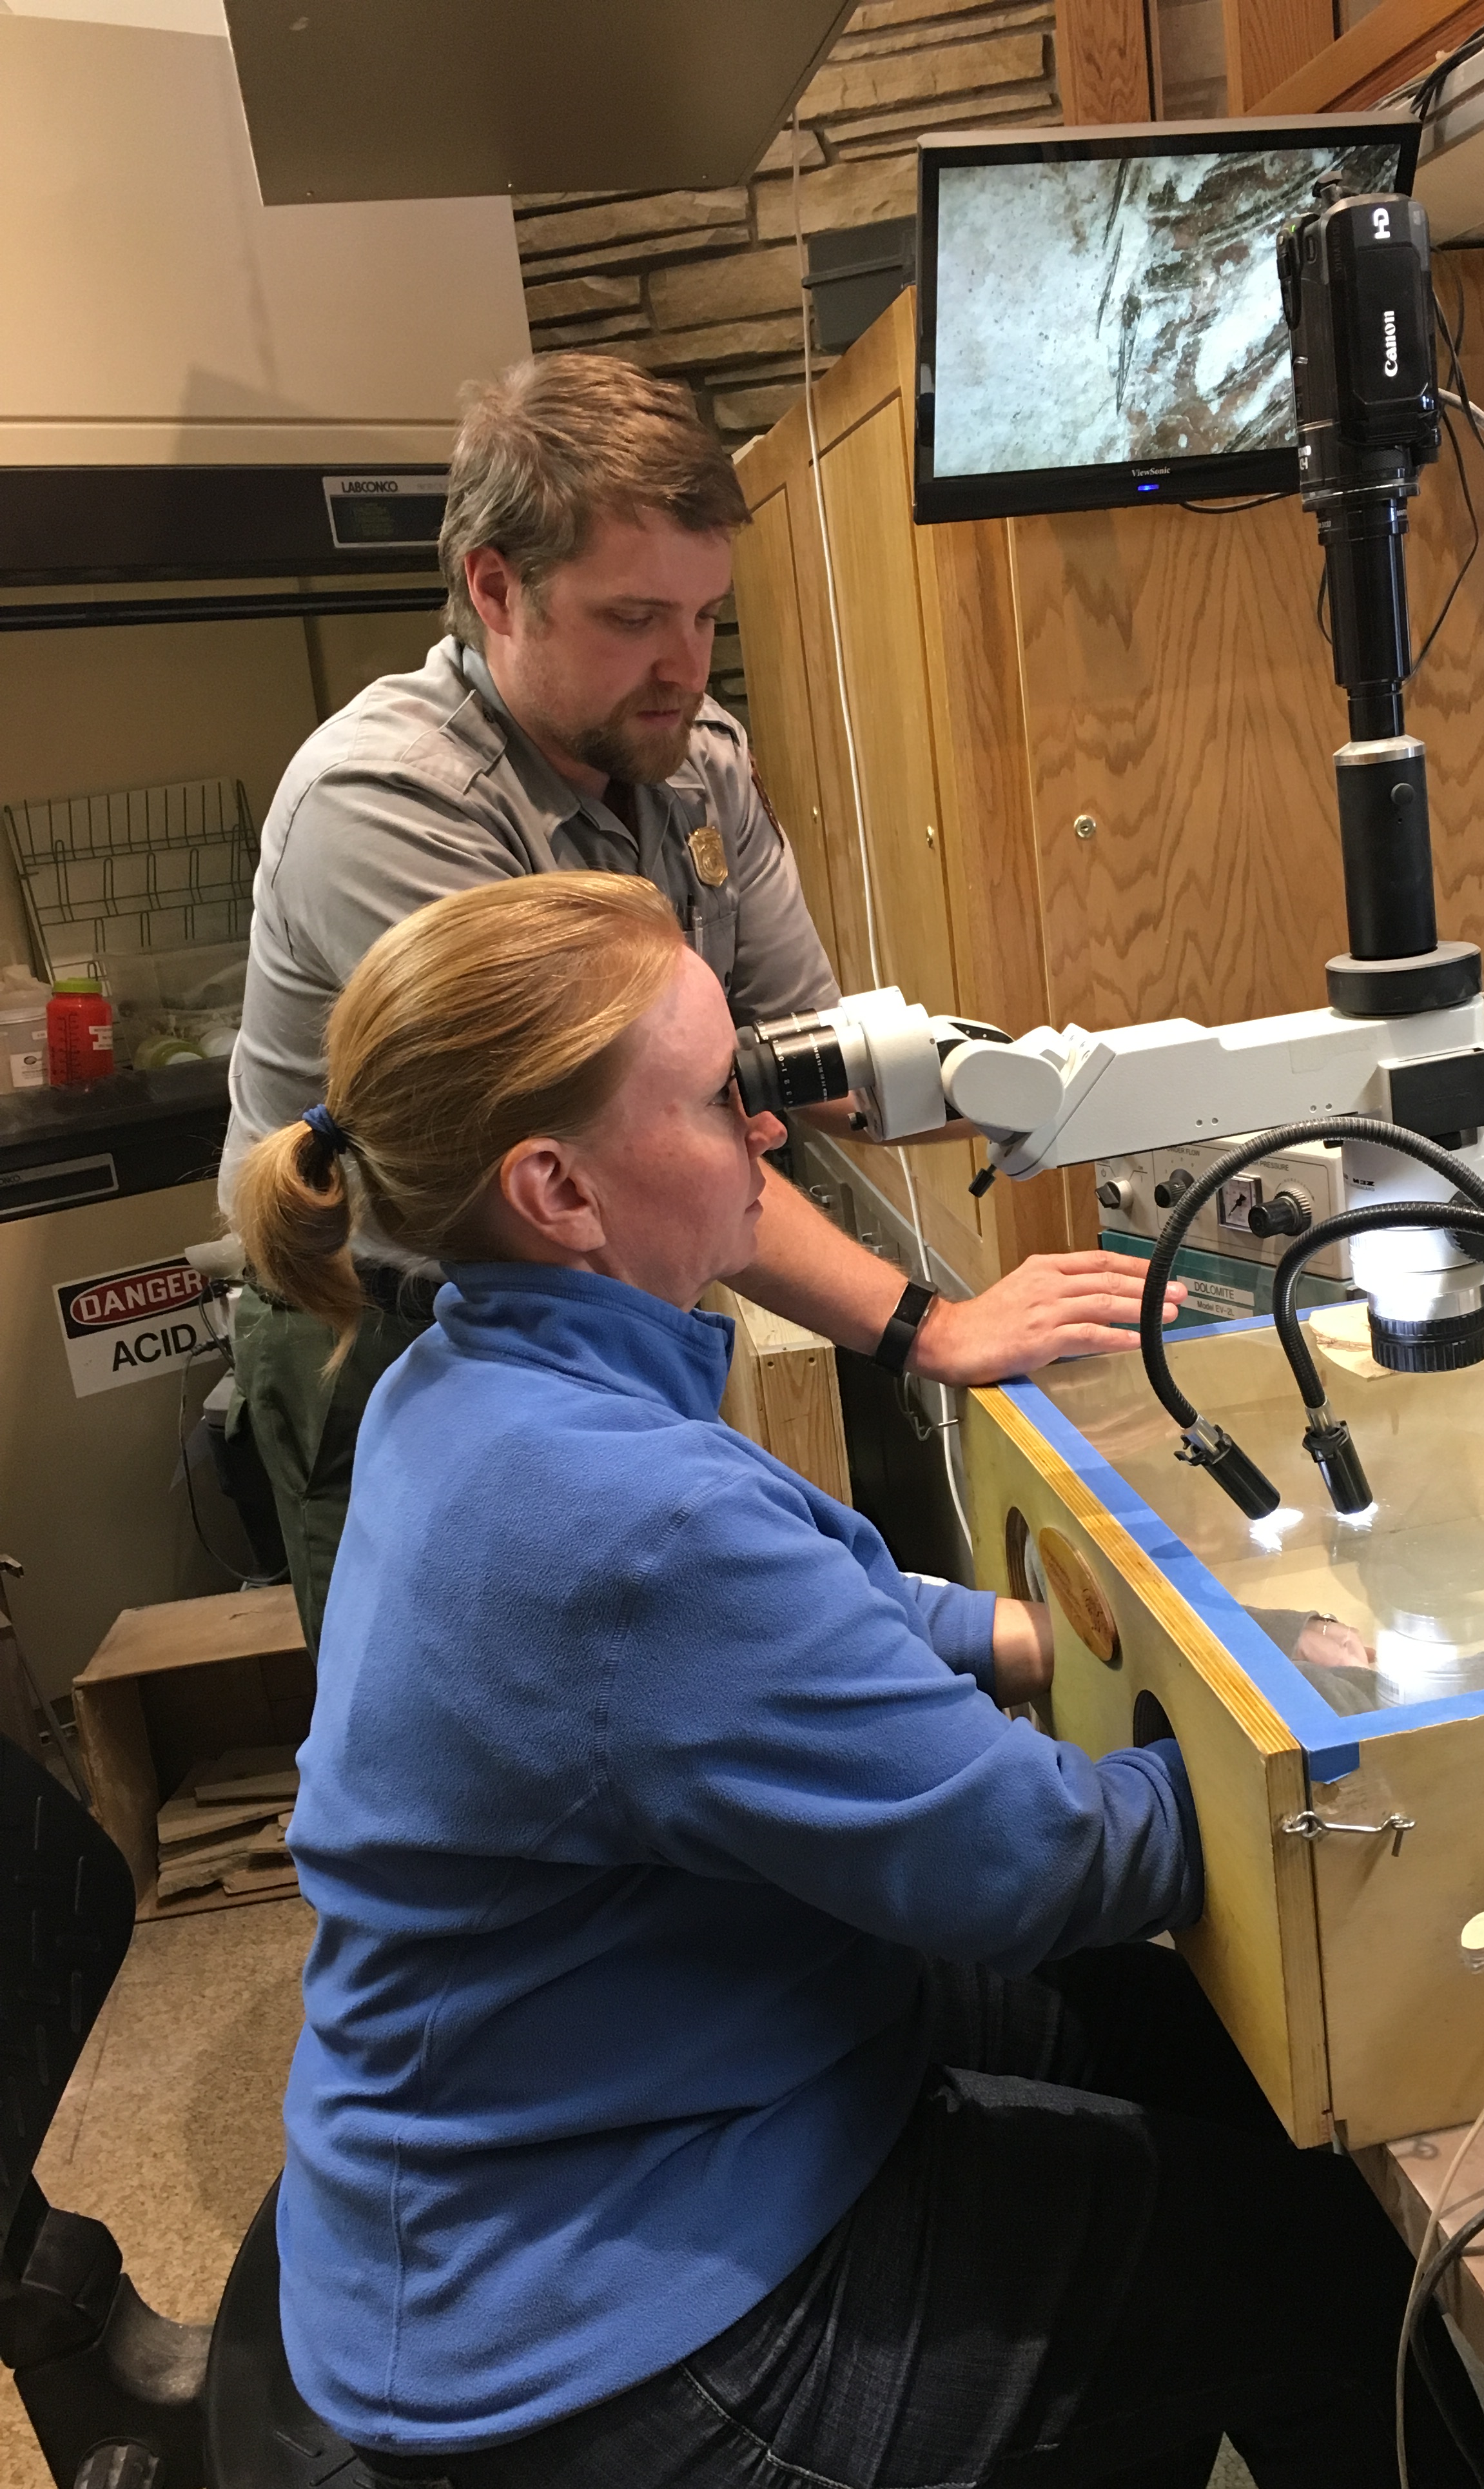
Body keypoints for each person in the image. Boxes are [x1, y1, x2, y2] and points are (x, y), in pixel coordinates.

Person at [230, 870, 1484, 2489]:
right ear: (554, 1188)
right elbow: (1029, 1861)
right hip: (619, 2380)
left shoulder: (470, 1380)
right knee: (1305, 2271)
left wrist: (1024, 1635)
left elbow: (778, 1622)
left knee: (1176, 2053)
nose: (769, 1142)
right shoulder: (604, 1513)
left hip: (570, 2128)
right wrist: (1303, 1738)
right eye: (720, 1102)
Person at [219, 351, 1177, 1646]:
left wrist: (1075, 1094)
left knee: (669, 1663)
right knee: (506, 1715)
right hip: (393, 1334)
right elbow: (614, 1164)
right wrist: (927, 1326)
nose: (684, 664)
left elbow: (809, 1061)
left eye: (705, 616)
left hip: (604, 1288)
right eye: (633, 619)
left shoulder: (690, 760)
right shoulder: (391, 808)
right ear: (496, 590)